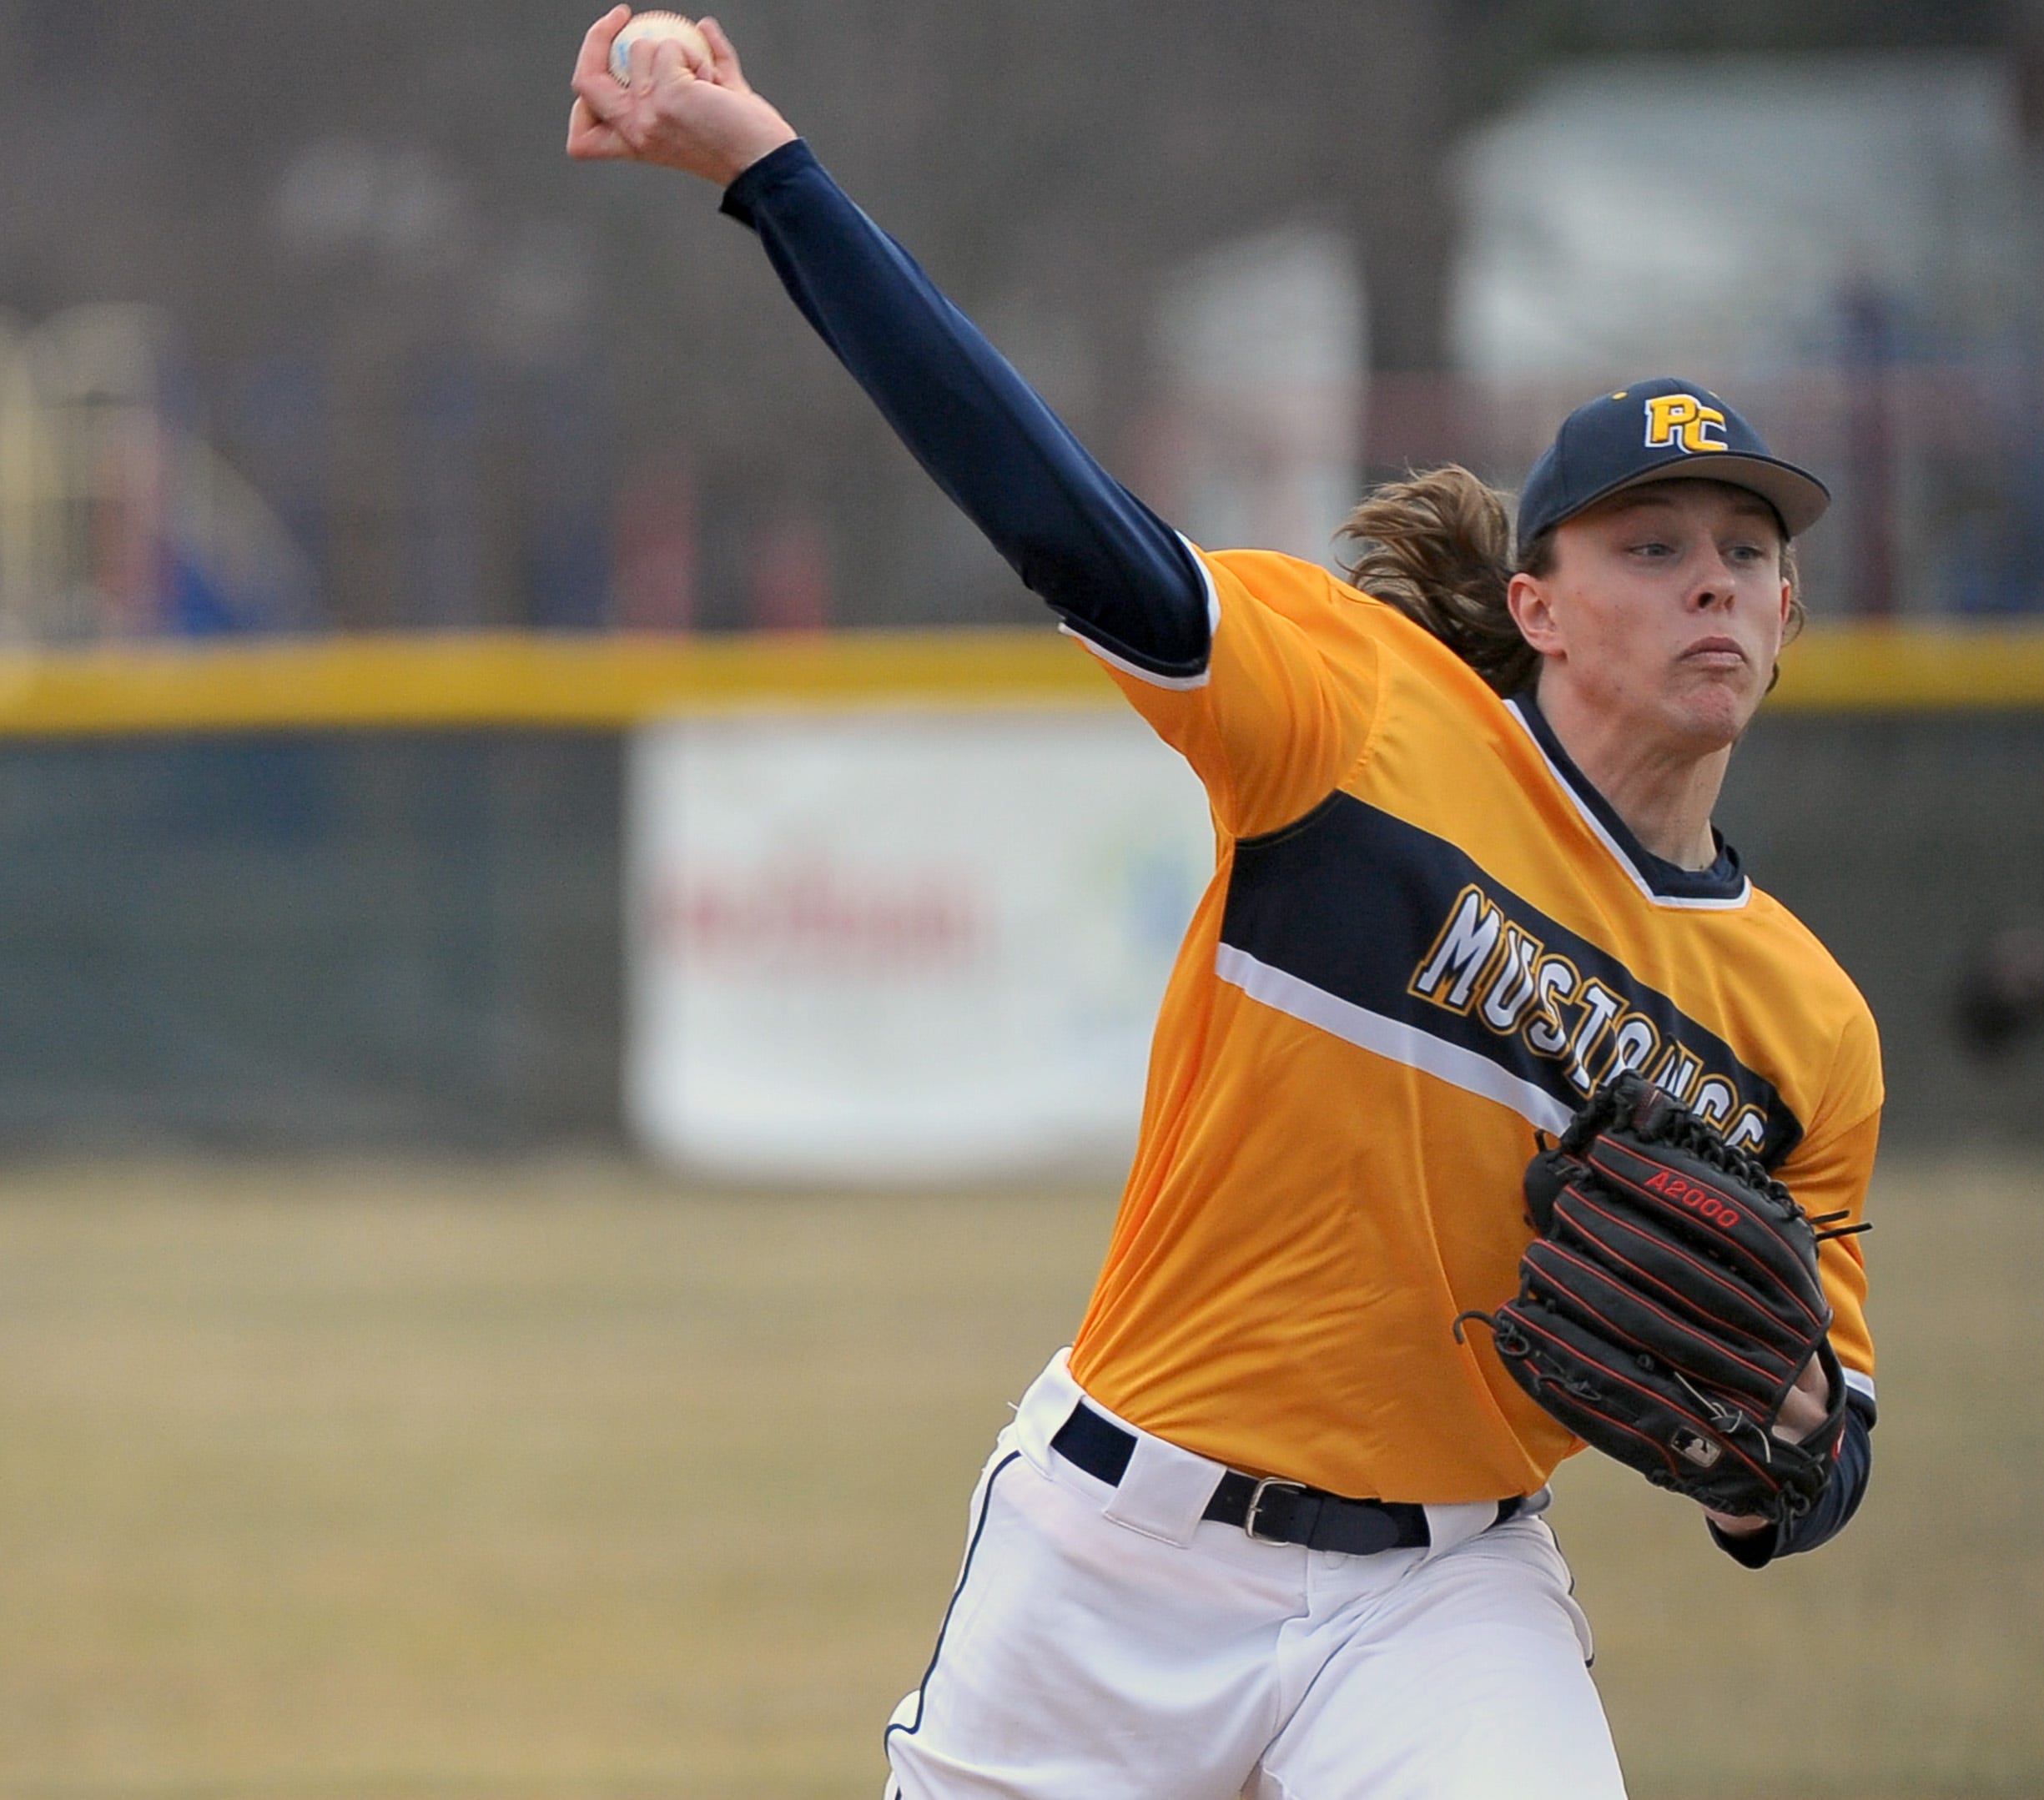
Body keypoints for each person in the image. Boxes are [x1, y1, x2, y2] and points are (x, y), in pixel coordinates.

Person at [567, 13, 1881, 1797]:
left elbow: (1821, 1452)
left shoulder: (1806, 1026)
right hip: (1111, 1553)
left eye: (1747, 554)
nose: (1710, 585)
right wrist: (769, 175)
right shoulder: (1353, 712)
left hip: (1442, 1596)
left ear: (1791, 619)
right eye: (1650, 547)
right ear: (1543, 605)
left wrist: (1781, 1448)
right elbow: (1052, 508)